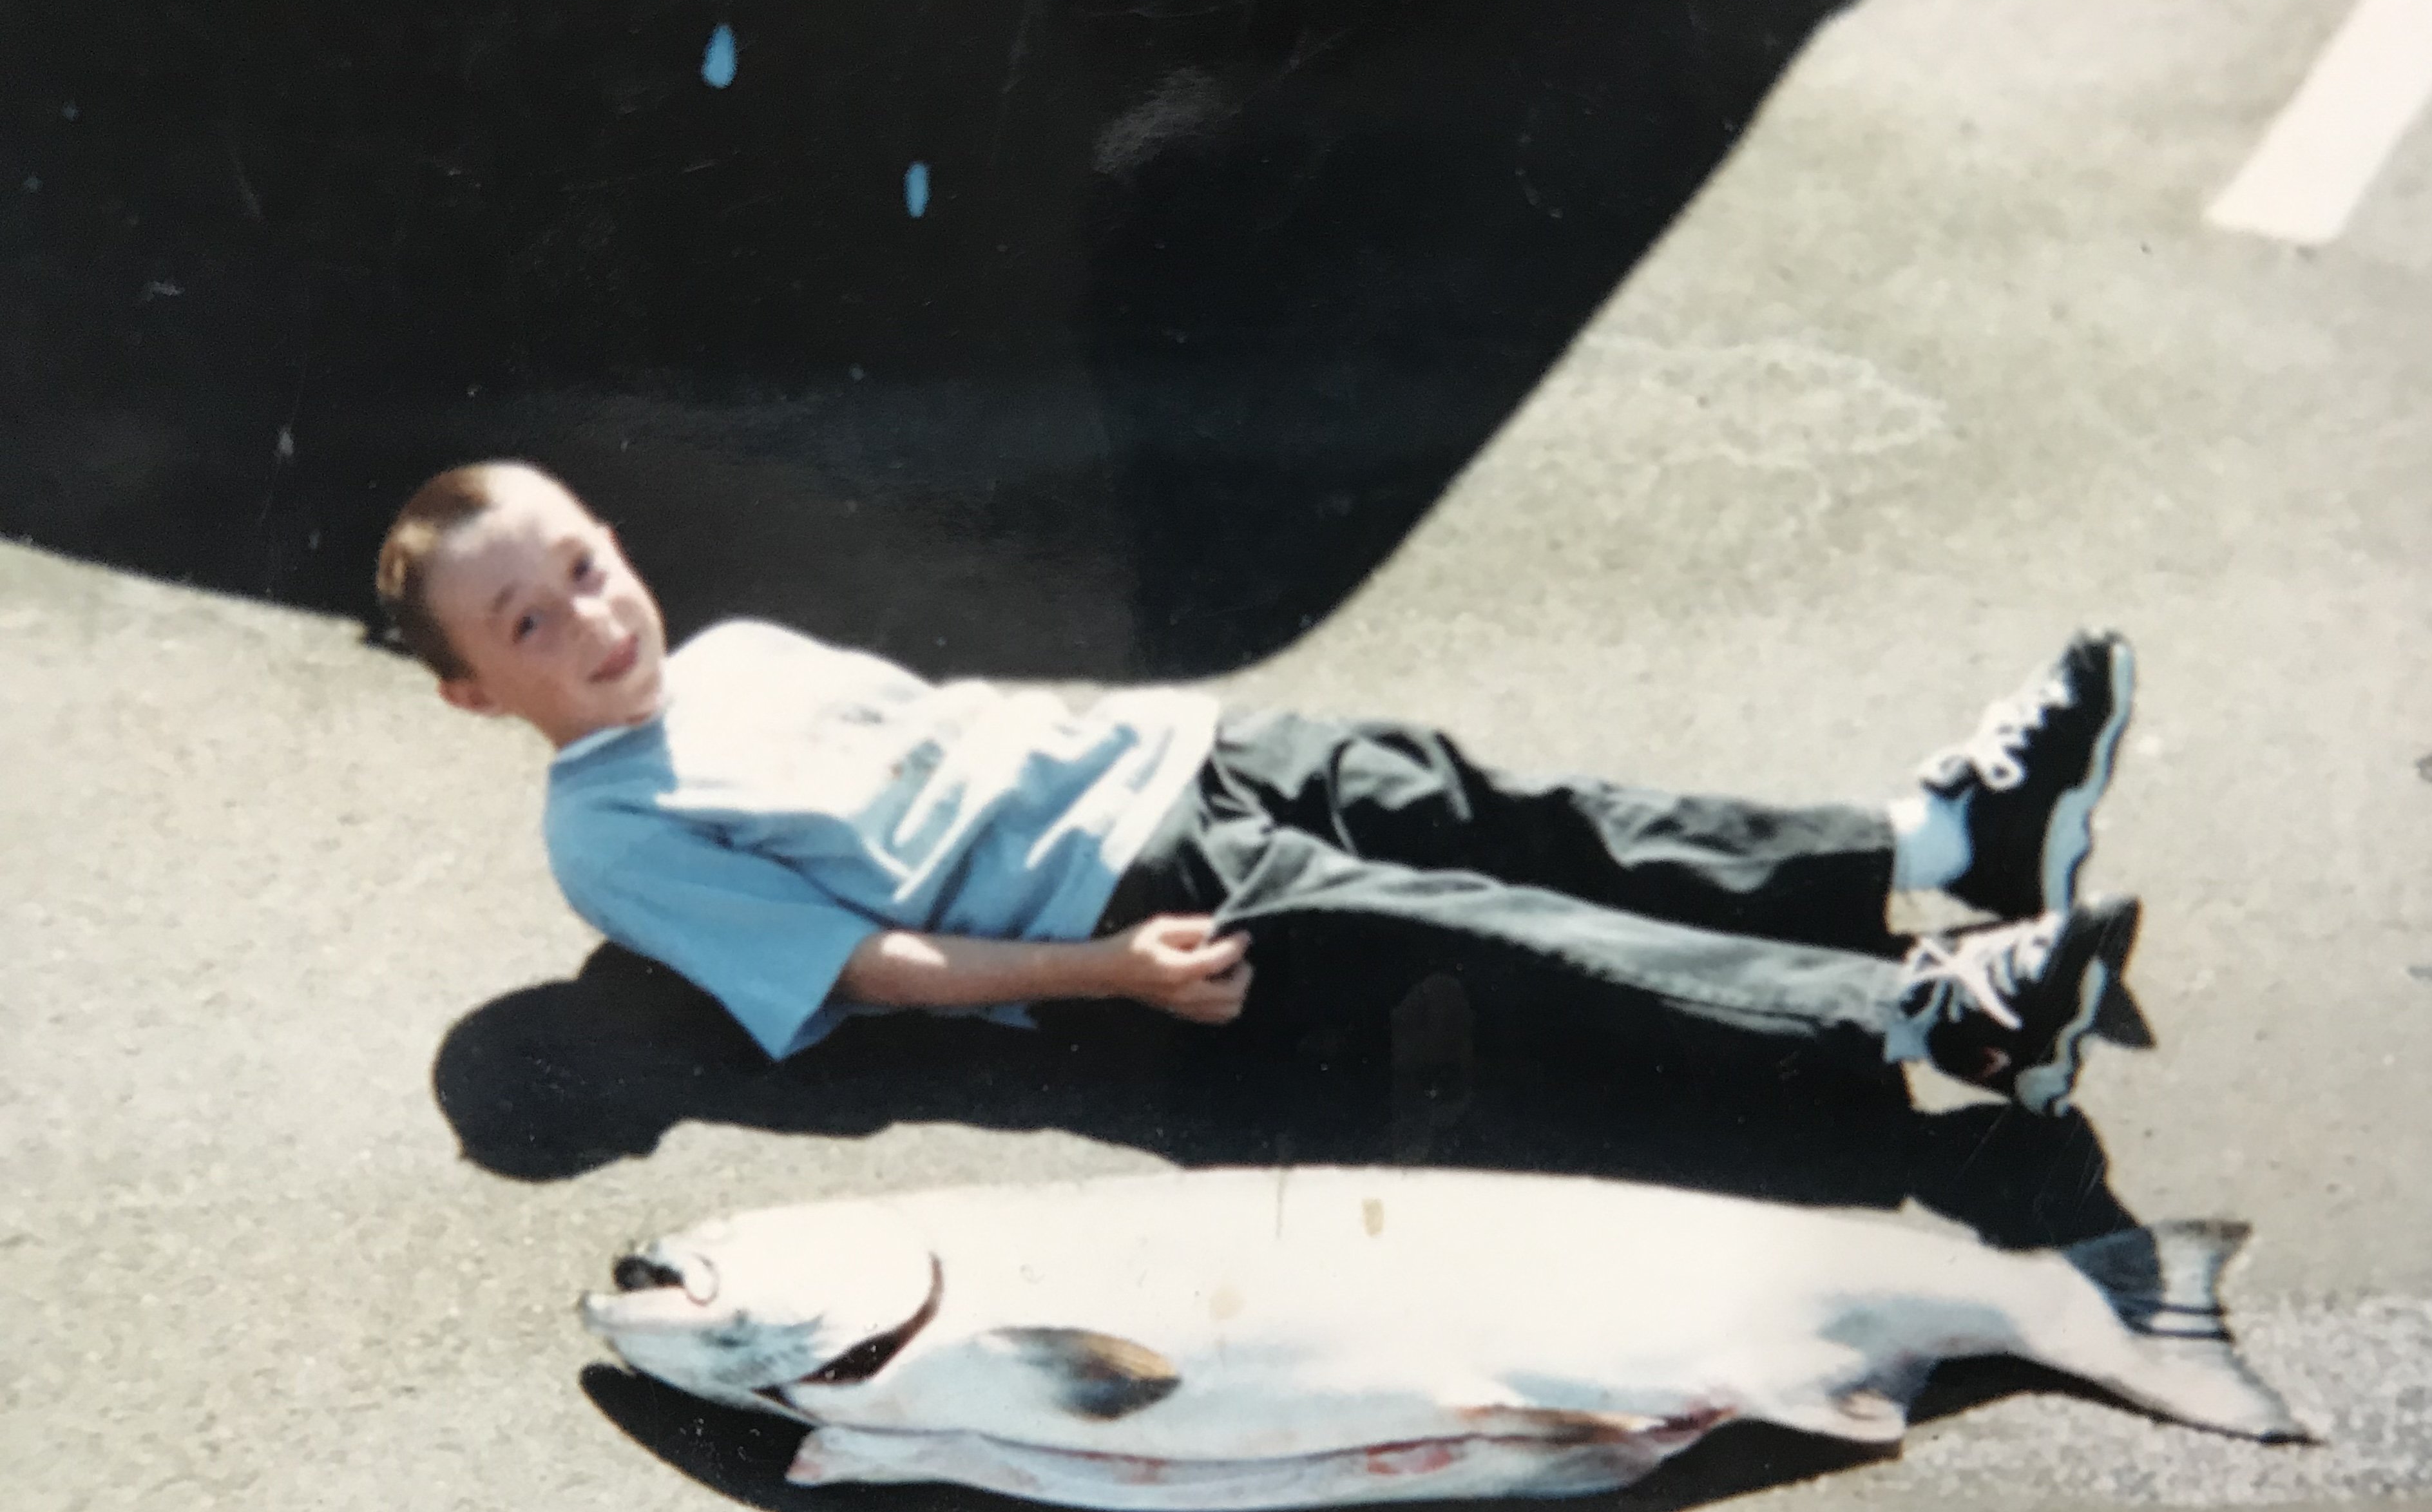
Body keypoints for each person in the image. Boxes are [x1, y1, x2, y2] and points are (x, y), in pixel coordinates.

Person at [375, 461, 2149, 1115]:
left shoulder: (738, 651)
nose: (593, 619)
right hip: (1135, 911)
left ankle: (1942, 843)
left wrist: (1186, 727)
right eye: (531, 620)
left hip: (1190, 764)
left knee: (1518, 810)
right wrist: (1111, 975)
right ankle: (1942, 1021)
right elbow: (864, 969)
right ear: (475, 691)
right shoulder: (605, 834)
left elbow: (969, 728)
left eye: (591, 565)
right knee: (1498, 939)